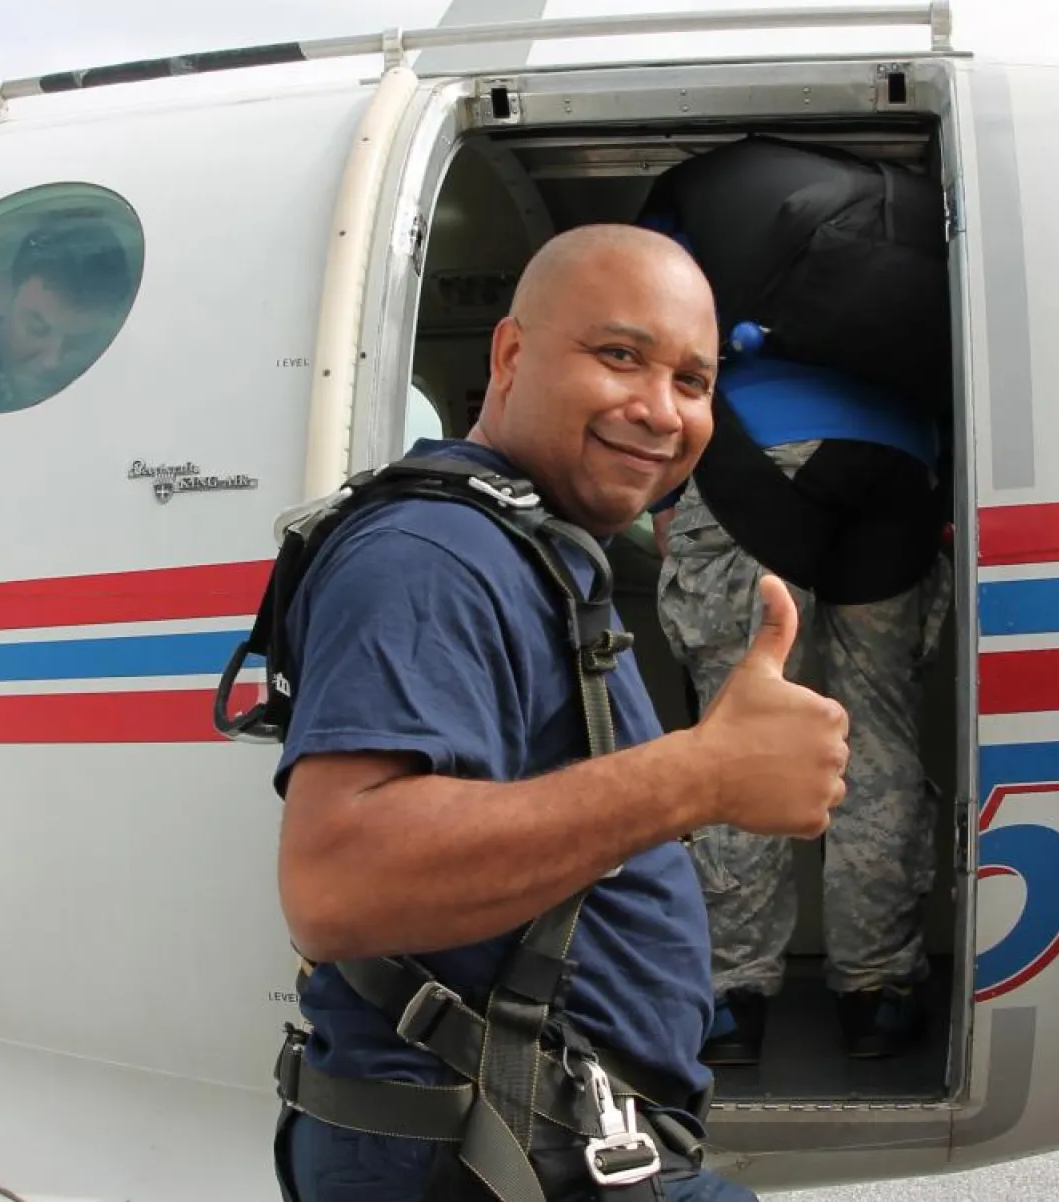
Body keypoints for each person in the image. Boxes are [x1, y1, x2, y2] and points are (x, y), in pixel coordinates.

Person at [271, 223, 854, 1202]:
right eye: (619, 355)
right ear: (509, 354)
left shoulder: (529, 548)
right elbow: (338, 882)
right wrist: (701, 774)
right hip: (482, 1153)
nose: (659, 410)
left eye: (693, 380)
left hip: (538, 1143)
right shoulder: (431, 556)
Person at [651, 346, 953, 1065]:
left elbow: (663, 341)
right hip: (899, 457)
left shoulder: (708, 231)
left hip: (752, 451)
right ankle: (878, 995)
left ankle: (731, 1002)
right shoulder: (896, 251)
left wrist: (667, 500)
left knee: (736, 729)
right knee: (877, 734)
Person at [0, 215, 133, 414]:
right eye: (37, 329)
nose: (52, 361)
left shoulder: (122, 388)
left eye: (77, 343)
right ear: (5, 296)